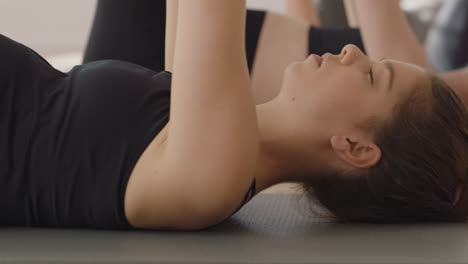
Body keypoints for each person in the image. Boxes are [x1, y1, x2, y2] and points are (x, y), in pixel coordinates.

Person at [0, 0, 466, 230]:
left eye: (370, 75)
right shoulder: (210, 139)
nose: (350, 50)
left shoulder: (217, 173)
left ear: (356, 147)